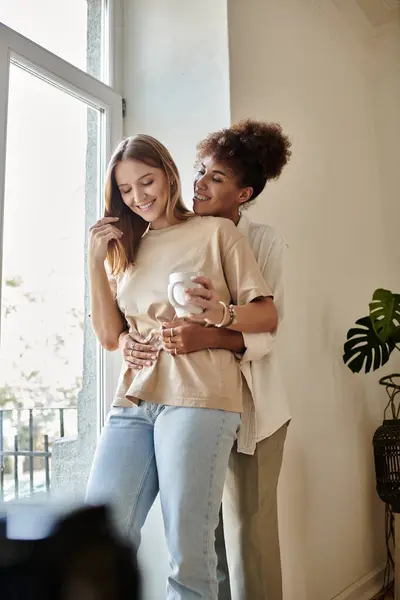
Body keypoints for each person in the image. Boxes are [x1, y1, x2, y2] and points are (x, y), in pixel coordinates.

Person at [85, 133, 279, 600]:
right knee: (97, 541)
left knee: (188, 553)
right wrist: (95, 262)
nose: (139, 197)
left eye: (146, 181)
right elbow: (111, 336)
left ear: (169, 175)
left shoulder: (218, 233)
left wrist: (217, 313)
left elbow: (266, 315)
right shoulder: (127, 248)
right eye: (126, 190)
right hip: (133, 400)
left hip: (199, 398)